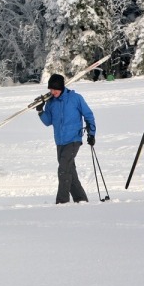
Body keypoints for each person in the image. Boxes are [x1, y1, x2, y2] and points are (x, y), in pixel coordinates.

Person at [37, 73, 96, 204]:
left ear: (61, 87)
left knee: (63, 170)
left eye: (55, 89)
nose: (52, 92)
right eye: (50, 89)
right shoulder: (51, 103)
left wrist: (91, 134)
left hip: (74, 140)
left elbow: (89, 115)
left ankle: (61, 201)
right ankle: (81, 200)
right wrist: (41, 111)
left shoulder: (75, 98)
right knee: (70, 171)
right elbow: (48, 122)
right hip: (60, 141)